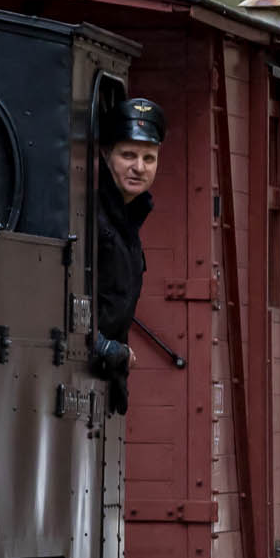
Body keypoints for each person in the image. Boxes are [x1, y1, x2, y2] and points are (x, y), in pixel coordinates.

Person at [90, 96, 162, 415]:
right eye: (128, 155)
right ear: (107, 154)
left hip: (106, 380)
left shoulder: (128, 218)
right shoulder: (93, 215)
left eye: (149, 158)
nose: (139, 167)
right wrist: (102, 346)